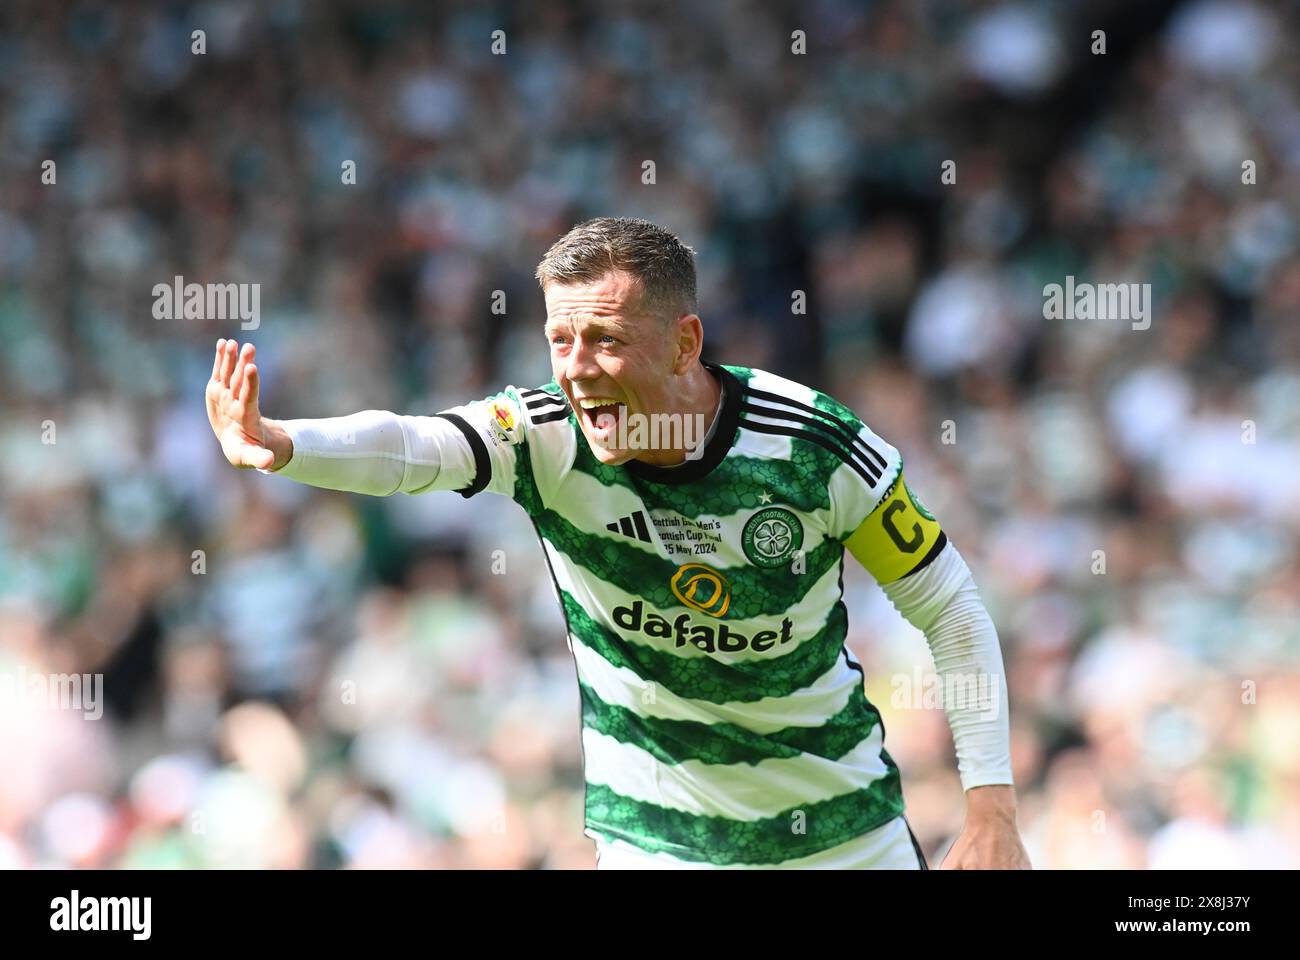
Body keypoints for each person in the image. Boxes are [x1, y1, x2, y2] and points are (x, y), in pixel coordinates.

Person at [206, 216, 1030, 869]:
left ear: (684, 342)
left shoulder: (813, 448)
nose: (577, 367)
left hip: (846, 836)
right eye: (560, 340)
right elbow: (414, 448)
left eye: (605, 339)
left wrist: (990, 806)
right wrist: (283, 443)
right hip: (657, 842)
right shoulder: (543, 438)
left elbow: (950, 606)